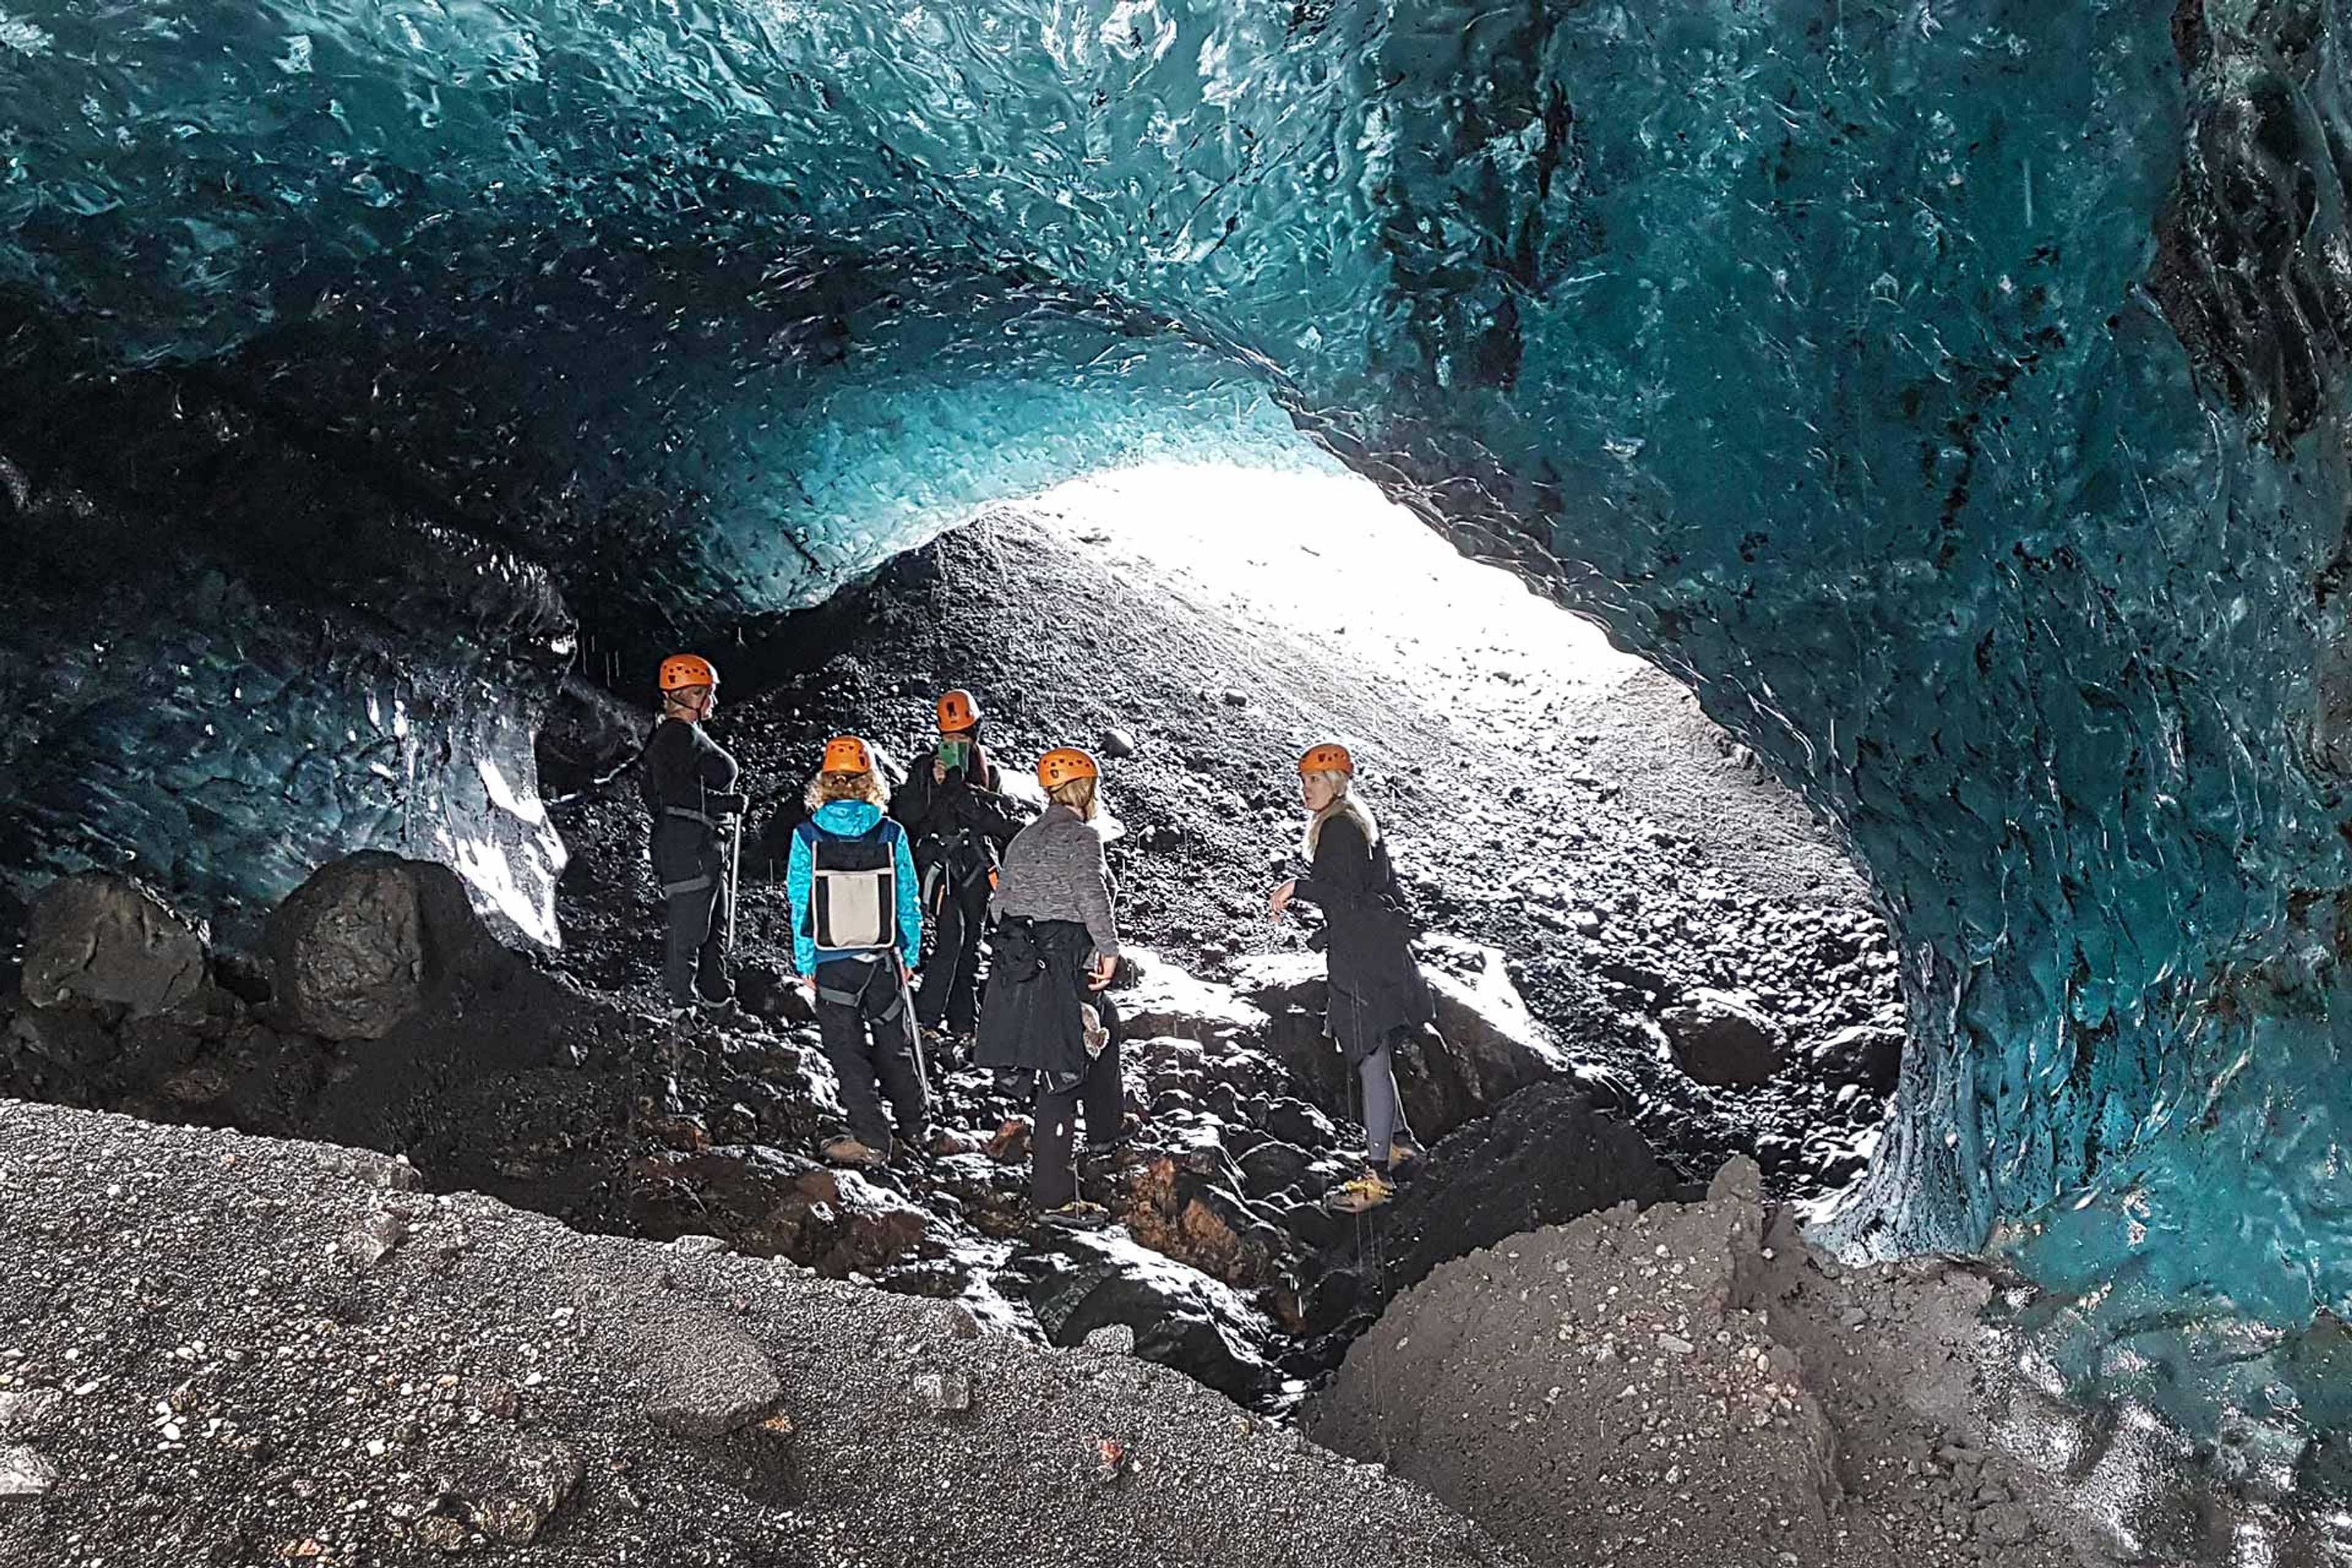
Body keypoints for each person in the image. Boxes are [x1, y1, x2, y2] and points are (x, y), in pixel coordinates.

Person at [1269, 742, 1433, 1213]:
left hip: (1361, 963)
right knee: (1375, 1049)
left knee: (1368, 1056)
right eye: (1303, 780)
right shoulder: (1360, 823)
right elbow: (1380, 893)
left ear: (1337, 783)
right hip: (1380, 955)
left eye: (1314, 781)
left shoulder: (1338, 829)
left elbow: (1342, 898)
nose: (1306, 789)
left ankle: (1378, 1176)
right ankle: (1399, 1142)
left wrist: (1297, 887)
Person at [977, 747, 1124, 1224]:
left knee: (1105, 1026)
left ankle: (1105, 1133)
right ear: (1086, 791)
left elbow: (999, 907)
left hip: (1020, 965)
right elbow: (1091, 895)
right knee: (1061, 1072)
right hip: (1062, 962)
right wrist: (1109, 948)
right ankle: (1054, 1198)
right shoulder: (1082, 838)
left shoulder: (1023, 838)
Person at [786, 735, 930, 1167]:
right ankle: (916, 1127)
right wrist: (910, 953)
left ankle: (871, 1138)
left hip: (834, 962)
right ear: (870, 781)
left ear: (826, 782)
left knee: (847, 1051)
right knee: (895, 1042)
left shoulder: (806, 835)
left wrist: (806, 960)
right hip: (884, 957)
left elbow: (800, 900)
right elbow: (908, 896)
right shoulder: (891, 833)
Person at [889, 689, 1024, 1050]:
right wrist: (932, 787)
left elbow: (993, 822)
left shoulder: (989, 774)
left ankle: (964, 1020)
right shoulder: (923, 768)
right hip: (937, 863)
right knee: (952, 935)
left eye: (961, 739)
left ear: (975, 734)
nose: (954, 745)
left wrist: (965, 790)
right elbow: (906, 818)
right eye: (948, 739)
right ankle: (925, 1018)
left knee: (970, 944)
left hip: (975, 864)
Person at [641, 654, 749, 1014]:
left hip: (701, 846)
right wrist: (723, 804)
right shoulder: (674, 734)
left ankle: (716, 999)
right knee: (690, 930)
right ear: (690, 694)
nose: (713, 702)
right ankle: (680, 1008)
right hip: (685, 848)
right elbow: (670, 791)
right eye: (708, 694)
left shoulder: (685, 735)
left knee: (713, 926)